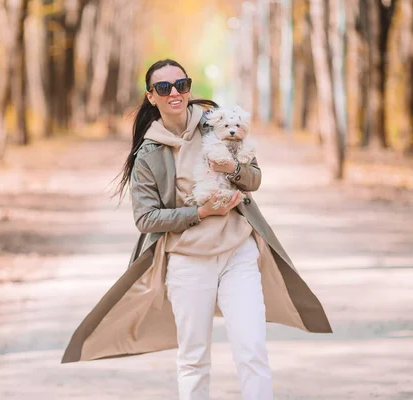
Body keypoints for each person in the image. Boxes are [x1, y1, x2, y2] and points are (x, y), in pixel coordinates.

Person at [61, 59, 332, 400]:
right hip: (188, 263)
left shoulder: (217, 125)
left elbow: (255, 178)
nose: (174, 92)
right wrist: (200, 211)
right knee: (193, 358)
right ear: (151, 97)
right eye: (164, 87)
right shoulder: (148, 153)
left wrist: (231, 167)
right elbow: (146, 219)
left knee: (252, 350)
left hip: (238, 253)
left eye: (181, 84)